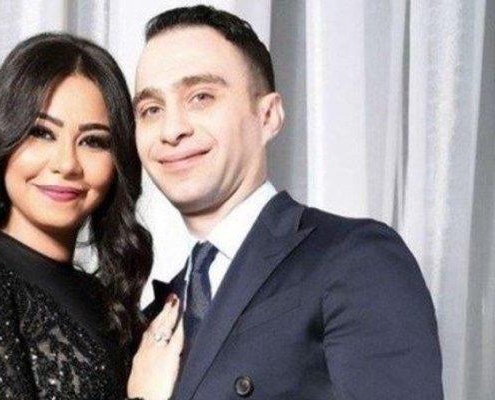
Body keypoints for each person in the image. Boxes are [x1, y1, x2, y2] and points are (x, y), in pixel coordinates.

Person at [134, 5, 443, 399]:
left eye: (201, 97)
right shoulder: (157, 319)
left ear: (268, 116)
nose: (172, 129)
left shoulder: (354, 256)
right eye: (151, 109)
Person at [0, 32, 182, 400]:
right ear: (3, 138)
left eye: (93, 141)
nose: (66, 164)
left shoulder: (103, 300)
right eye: (42, 133)